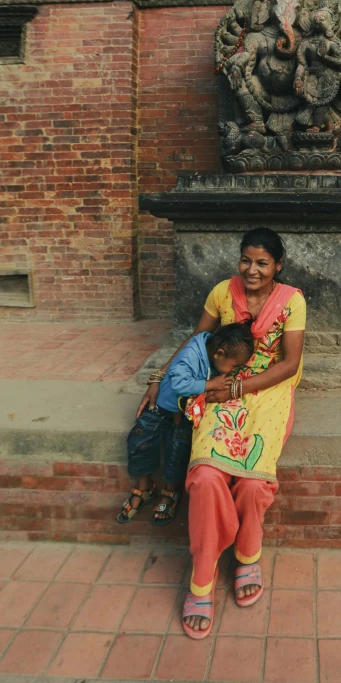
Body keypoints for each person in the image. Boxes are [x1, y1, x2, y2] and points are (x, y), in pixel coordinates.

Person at [138, 227, 306, 639]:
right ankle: (203, 573)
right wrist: (161, 376)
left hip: (266, 391)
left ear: (277, 266)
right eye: (246, 260)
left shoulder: (292, 301)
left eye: (262, 263)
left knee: (252, 480)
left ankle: (247, 554)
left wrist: (239, 388)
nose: (252, 269)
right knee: (208, 475)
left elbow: (288, 363)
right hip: (218, 386)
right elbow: (199, 340)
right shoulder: (221, 292)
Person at [116, 322, 255, 526]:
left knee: (180, 447)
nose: (234, 371)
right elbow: (179, 384)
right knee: (139, 438)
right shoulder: (190, 354)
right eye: (234, 366)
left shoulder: (215, 352)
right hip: (162, 408)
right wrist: (210, 384)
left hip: (186, 411)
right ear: (219, 354)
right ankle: (144, 486)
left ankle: (171, 490)